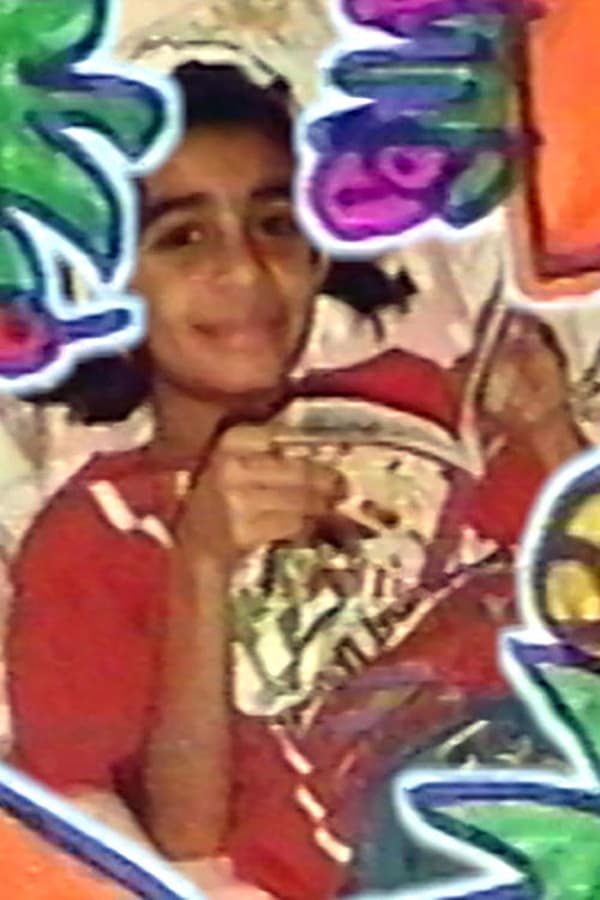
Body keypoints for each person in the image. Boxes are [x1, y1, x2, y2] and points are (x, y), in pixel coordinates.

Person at [5, 60, 585, 900]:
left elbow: (583, 612)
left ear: (316, 257)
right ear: (108, 285)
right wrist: (203, 564)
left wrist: (548, 430)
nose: (245, 272)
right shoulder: (96, 537)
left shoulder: (416, 399)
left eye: (274, 225)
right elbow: (176, 845)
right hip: (421, 848)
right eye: (183, 238)